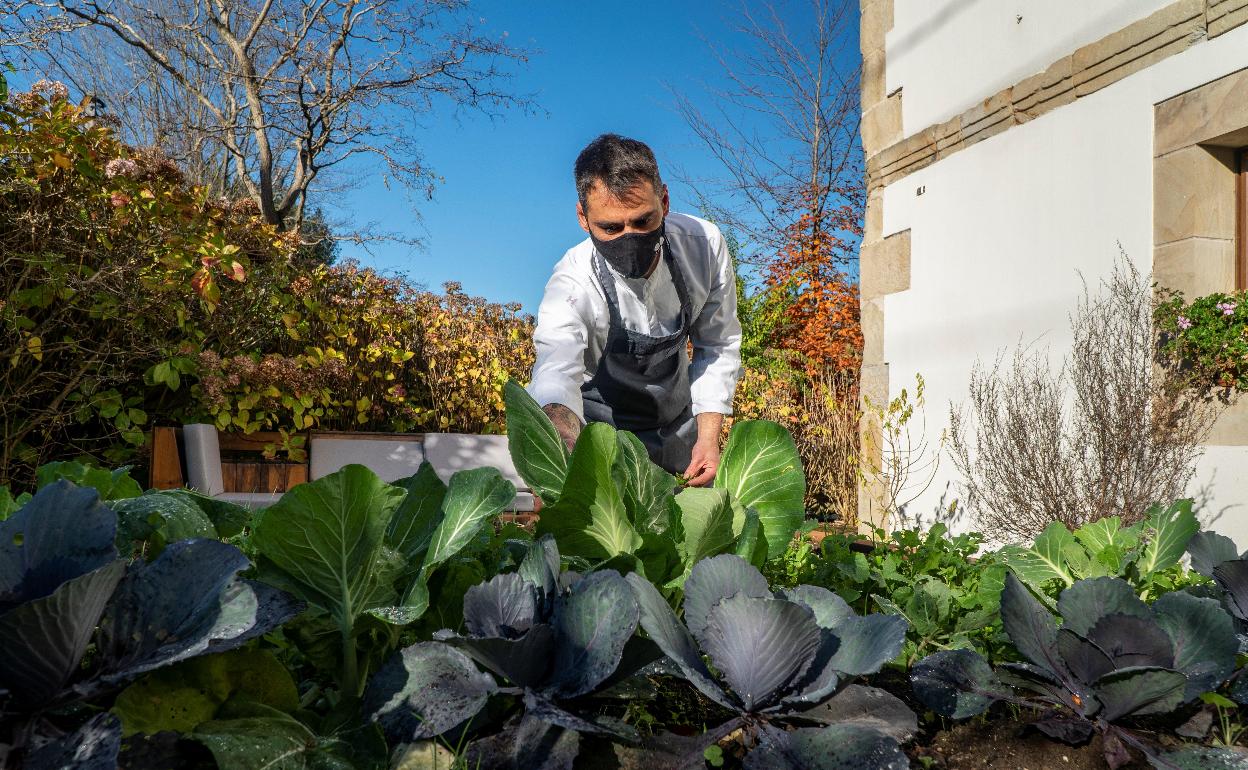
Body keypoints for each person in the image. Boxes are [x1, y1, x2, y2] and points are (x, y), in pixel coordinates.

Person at [527, 134, 742, 486]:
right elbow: (556, 371)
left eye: (642, 221)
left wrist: (708, 438)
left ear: (665, 201)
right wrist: (557, 460)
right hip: (604, 442)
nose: (629, 237)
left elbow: (717, 344)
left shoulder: (703, 246)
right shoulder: (572, 281)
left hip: (679, 435)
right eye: (611, 227)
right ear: (583, 217)